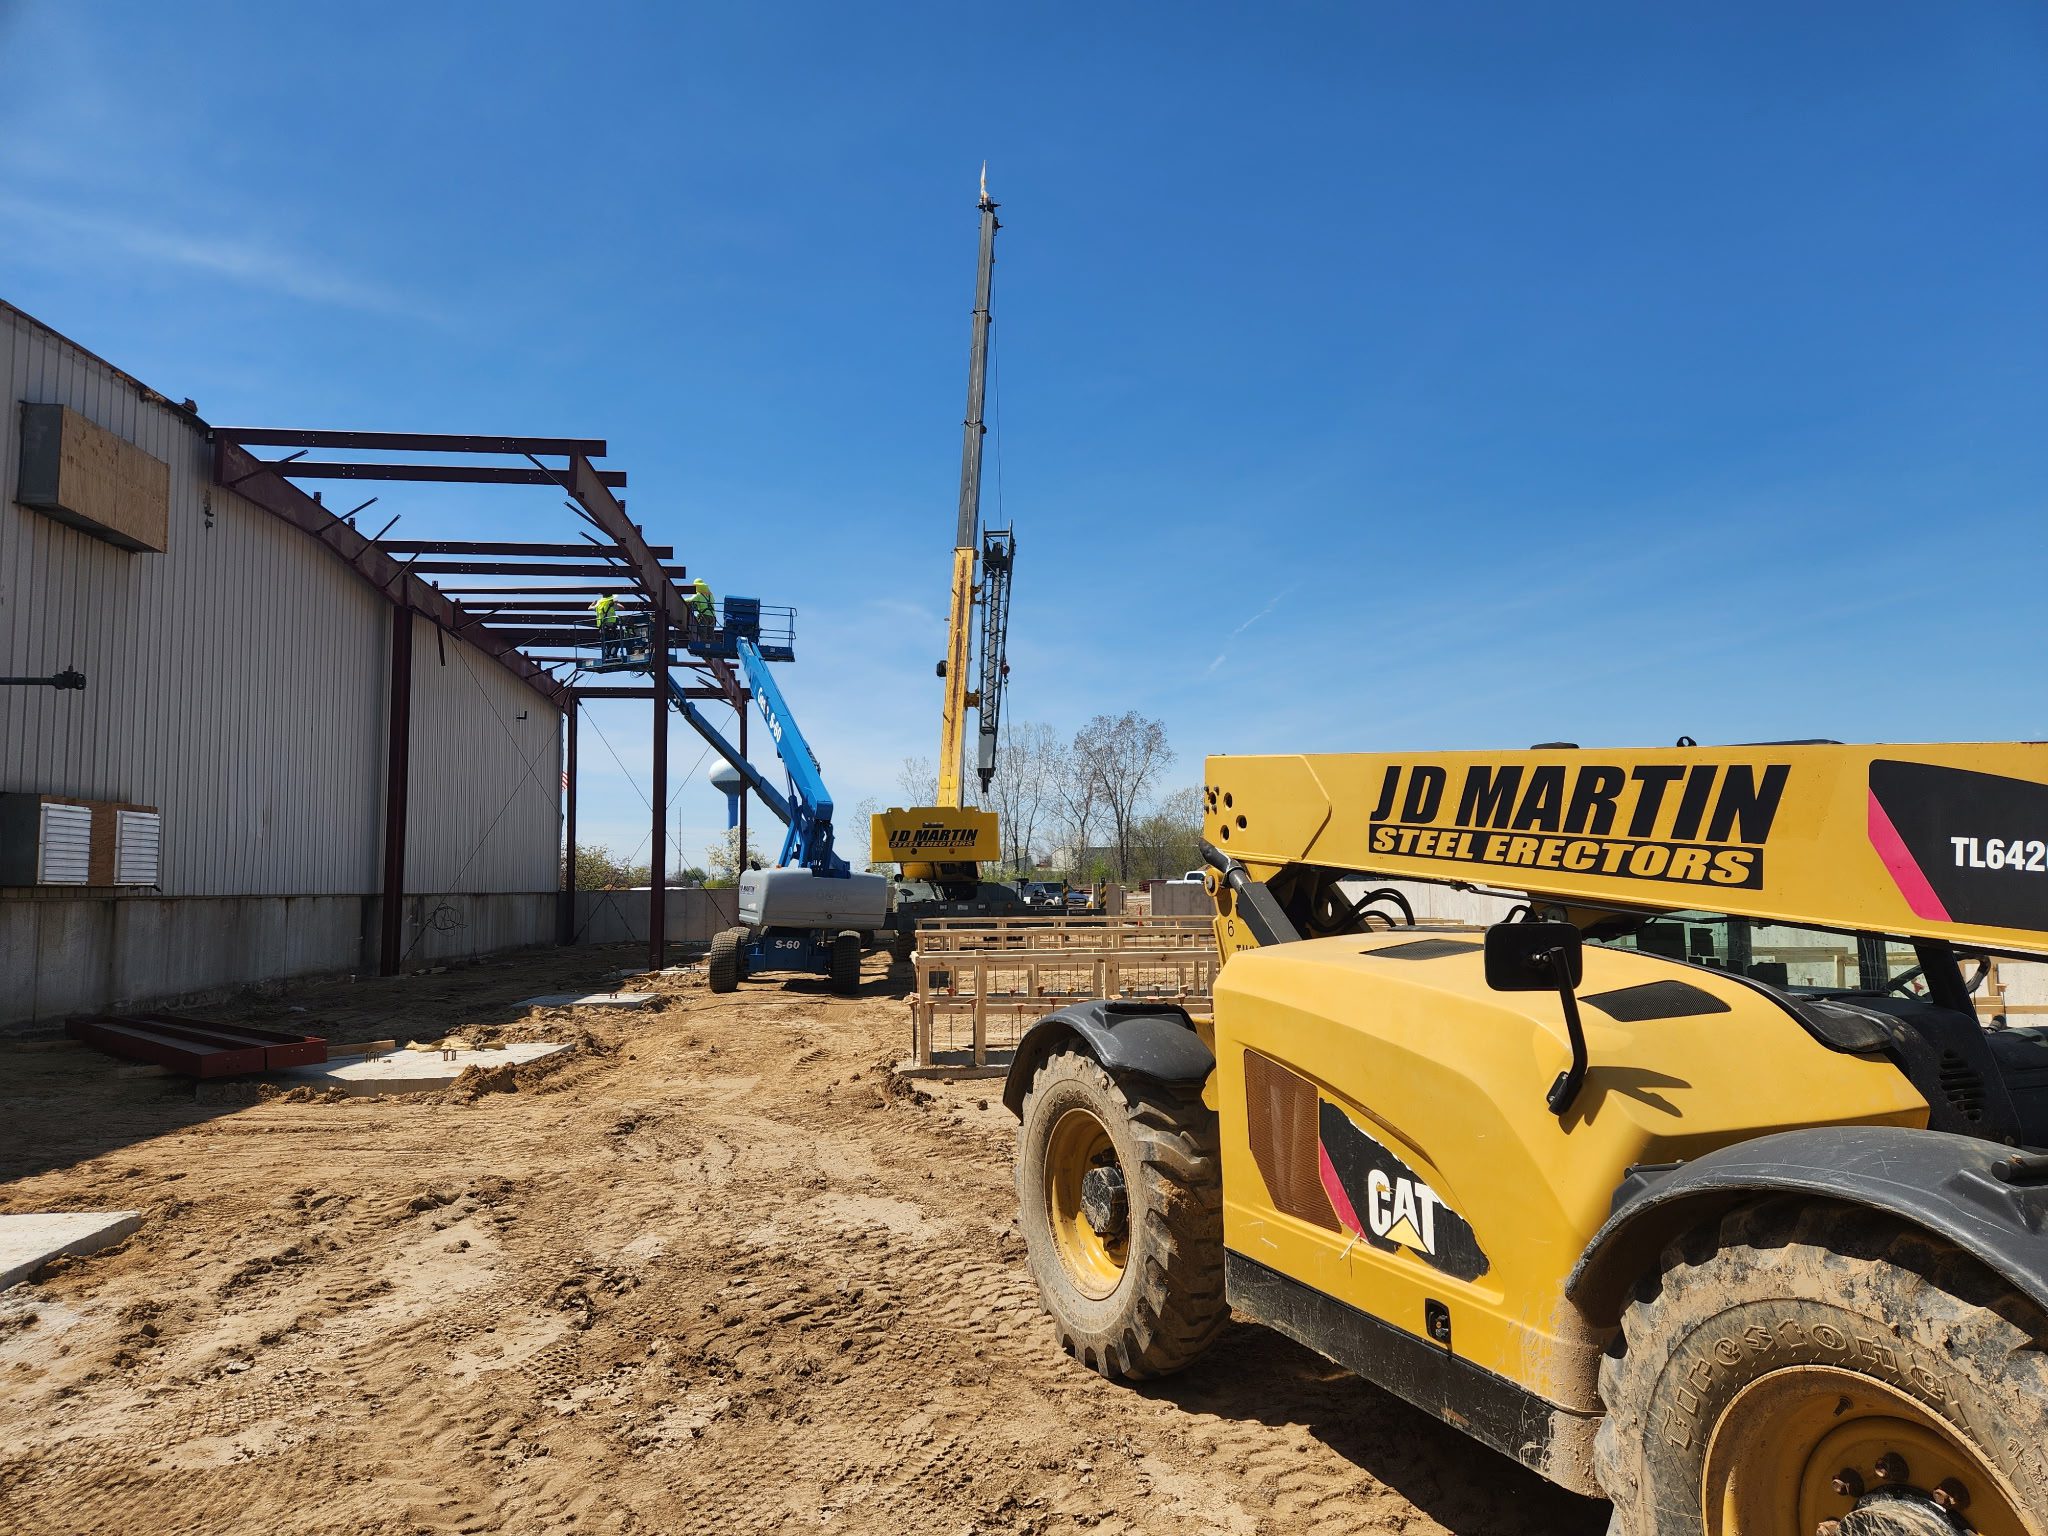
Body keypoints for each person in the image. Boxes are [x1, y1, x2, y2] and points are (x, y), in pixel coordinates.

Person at [591, 593, 620, 658]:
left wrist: (593, 603)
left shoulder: (599, 605)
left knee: (607, 643)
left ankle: (607, 656)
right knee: (617, 642)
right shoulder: (611, 604)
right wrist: (617, 603)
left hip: (602, 629)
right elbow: (623, 608)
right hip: (611, 628)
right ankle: (613, 655)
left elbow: (589, 608)